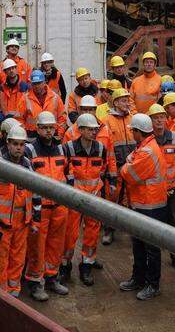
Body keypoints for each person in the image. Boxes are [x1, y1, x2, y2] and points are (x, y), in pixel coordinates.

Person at [59, 114, 117, 286]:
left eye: (95, 129)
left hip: (93, 198)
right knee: (70, 235)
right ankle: (65, 266)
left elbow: (105, 169)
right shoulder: (68, 148)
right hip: (73, 199)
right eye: (90, 129)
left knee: (92, 235)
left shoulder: (100, 149)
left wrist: (110, 184)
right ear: (80, 130)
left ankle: (87, 266)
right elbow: (61, 171)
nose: (93, 132)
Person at [0, 125, 41, 297]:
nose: (18, 148)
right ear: (8, 143)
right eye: (15, 144)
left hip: (22, 223)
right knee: (1, 263)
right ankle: (1, 296)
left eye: (21, 144)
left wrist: (35, 220)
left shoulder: (27, 165)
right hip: (2, 226)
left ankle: (14, 293)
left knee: (18, 260)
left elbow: (36, 194)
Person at [119, 113, 169, 300]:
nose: (132, 133)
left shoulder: (147, 151)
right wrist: (129, 162)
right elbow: (131, 161)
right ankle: (139, 278)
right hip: (142, 204)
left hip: (151, 206)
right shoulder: (144, 147)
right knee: (138, 244)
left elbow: (128, 174)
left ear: (139, 132)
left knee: (151, 248)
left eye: (133, 131)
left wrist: (126, 165)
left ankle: (152, 284)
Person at [24, 111, 70, 301]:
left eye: (51, 127)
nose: (48, 131)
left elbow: (67, 174)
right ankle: (35, 282)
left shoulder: (61, 150)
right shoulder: (30, 151)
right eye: (44, 128)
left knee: (56, 245)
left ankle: (52, 277)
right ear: (37, 129)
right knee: (37, 246)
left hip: (59, 207)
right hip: (40, 208)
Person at [147, 103, 175, 270]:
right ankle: (152, 259)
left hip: (171, 190)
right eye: (156, 118)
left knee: (173, 223)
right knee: (152, 226)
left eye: (162, 117)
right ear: (150, 121)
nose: (159, 121)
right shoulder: (148, 139)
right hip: (153, 192)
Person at [101, 88, 136, 245]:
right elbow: (106, 145)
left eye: (127, 99)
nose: (126, 102)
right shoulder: (107, 121)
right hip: (115, 166)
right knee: (113, 198)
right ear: (115, 102)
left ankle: (133, 230)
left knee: (132, 199)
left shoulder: (133, 119)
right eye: (123, 100)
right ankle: (109, 230)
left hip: (131, 166)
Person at [22, 70, 67, 141]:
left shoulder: (55, 97)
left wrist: (59, 135)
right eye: (34, 84)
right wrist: (23, 136)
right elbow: (19, 119)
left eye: (39, 83)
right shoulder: (25, 98)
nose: (37, 86)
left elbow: (62, 118)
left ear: (44, 82)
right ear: (31, 84)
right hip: (31, 138)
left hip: (52, 137)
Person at [0, 58, 28, 126]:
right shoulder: (1, 88)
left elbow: (29, 108)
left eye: (13, 68)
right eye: (8, 69)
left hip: (21, 124)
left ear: (16, 69)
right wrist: (2, 119)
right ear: (5, 72)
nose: (11, 71)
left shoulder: (24, 87)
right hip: (5, 124)